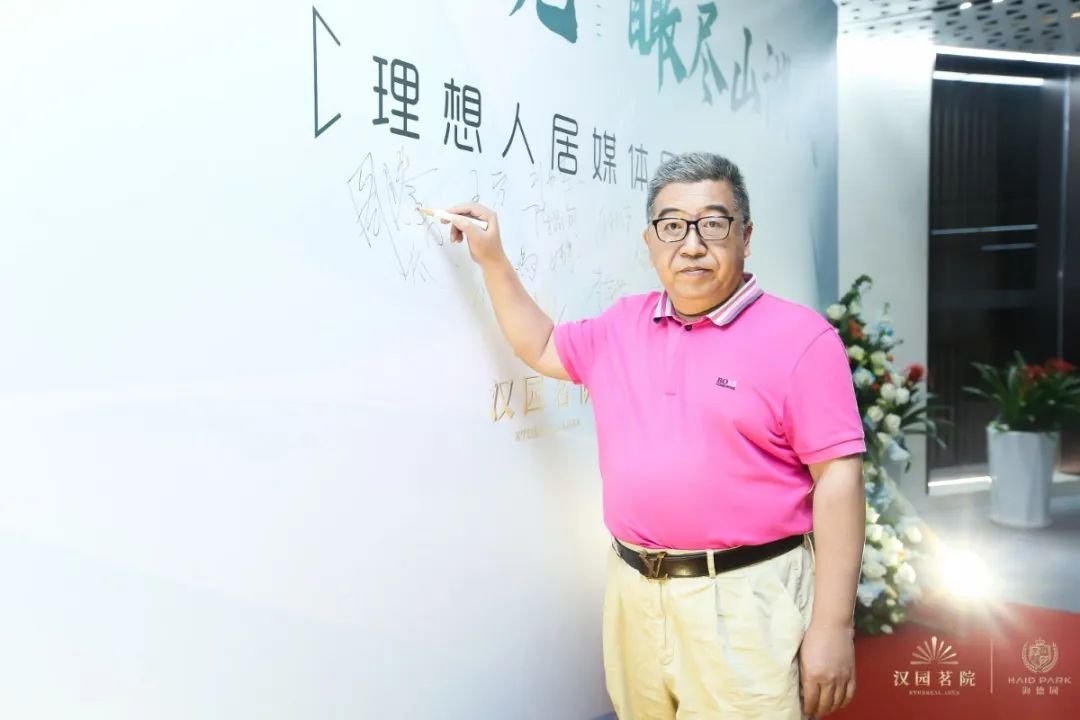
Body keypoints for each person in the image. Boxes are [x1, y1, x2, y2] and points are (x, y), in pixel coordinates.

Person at [444, 152, 865, 719]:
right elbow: (541, 346)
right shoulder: (623, 324)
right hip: (635, 591)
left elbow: (838, 479)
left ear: (745, 236)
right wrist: (493, 260)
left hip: (746, 598)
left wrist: (834, 626)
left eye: (712, 224)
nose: (691, 245)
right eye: (672, 226)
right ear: (650, 242)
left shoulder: (801, 339)